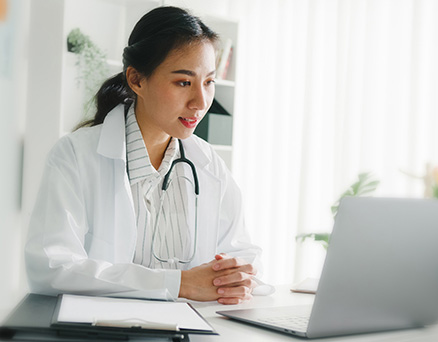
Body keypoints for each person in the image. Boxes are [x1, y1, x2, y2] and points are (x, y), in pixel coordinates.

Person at [25, 6, 265, 305]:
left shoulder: (208, 164)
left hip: (190, 329)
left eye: (209, 82)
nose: (200, 102)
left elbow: (241, 252)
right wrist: (176, 284)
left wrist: (235, 275)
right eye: (183, 82)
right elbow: (51, 268)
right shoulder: (74, 155)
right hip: (105, 331)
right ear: (137, 80)